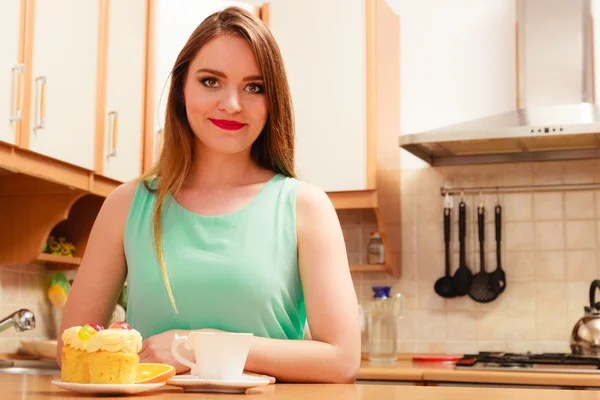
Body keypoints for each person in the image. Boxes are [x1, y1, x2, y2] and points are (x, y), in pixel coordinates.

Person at [57, 6, 360, 383]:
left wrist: (199, 346)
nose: (231, 104)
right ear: (182, 87)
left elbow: (341, 360)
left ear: (272, 102)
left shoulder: (305, 206)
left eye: (255, 87)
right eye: (211, 81)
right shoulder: (126, 204)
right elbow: (70, 349)